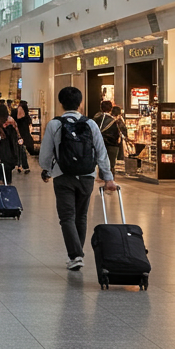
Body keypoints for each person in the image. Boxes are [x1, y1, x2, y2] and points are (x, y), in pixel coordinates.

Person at [39, 87, 118, 270]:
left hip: (63, 175)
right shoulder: (90, 124)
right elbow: (101, 152)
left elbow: (45, 154)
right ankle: (76, 255)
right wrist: (108, 178)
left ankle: (75, 255)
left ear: (61, 104)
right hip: (86, 176)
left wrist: (47, 170)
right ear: (80, 104)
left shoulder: (54, 124)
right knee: (81, 216)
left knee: (67, 216)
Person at [95, 100, 127, 177]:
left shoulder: (96, 119)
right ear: (111, 109)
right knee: (111, 164)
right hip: (112, 145)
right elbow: (123, 130)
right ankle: (109, 180)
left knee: (101, 161)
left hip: (100, 144)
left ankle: (102, 177)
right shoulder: (115, 120)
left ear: (101, 108)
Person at [0, 103, 22, 186]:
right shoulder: (11, 120)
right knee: (8, 166)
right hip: (10, 146)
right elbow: (17, 133)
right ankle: (8, 182)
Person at [15, 100, 35, 174]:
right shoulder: (26, 118)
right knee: (20, 150)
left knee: (22, 150)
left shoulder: (22, 119)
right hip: (22, 135)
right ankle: (21, 166)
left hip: (22, 135)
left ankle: (24, 167)